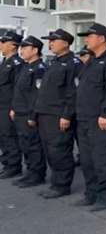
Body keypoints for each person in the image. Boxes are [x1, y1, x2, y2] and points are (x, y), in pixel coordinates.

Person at [73, 23, 106, 211]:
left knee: (104, 159)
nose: (86, 40)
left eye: (90, 36)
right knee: (87, 160)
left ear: (102, 38)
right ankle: (91, 193)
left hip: (101, 120)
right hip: (85, 118)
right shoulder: (92, 61)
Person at [34, 29, 80, 199]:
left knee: (60, 150)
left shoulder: (73, 64)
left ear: (66, 43)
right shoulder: (54, 62)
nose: (50, 43)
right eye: (50, 40)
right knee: (50, 151)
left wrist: (67, 115)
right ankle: (55, 183)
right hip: (46, 113)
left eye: (54, 40)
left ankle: (62, 185)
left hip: (58, 115)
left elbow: (73, 92)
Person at [10, 35, 46, 187]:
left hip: (28, 114)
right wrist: (14, 108)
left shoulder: (39, 69)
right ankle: (30, 172)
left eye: (25, 48)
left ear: (35, 50)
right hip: (19, 112)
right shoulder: (25, 67)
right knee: (25, 145)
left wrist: (33, 116)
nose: (21, 51)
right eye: (21, 48)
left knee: (33, 145)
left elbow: (37, 96)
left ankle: (37, 175)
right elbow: (19, 91)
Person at [0, 31, 24, 180]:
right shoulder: (5, 61)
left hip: (8, 106)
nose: (1, 44)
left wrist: (14, 107)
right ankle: (7, 163)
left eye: (4, 42)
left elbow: (18, 88)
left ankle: (14, 166)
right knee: (2, 136)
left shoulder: (17, 64)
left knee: (9, 136)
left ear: (13, 45)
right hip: (1, 104)